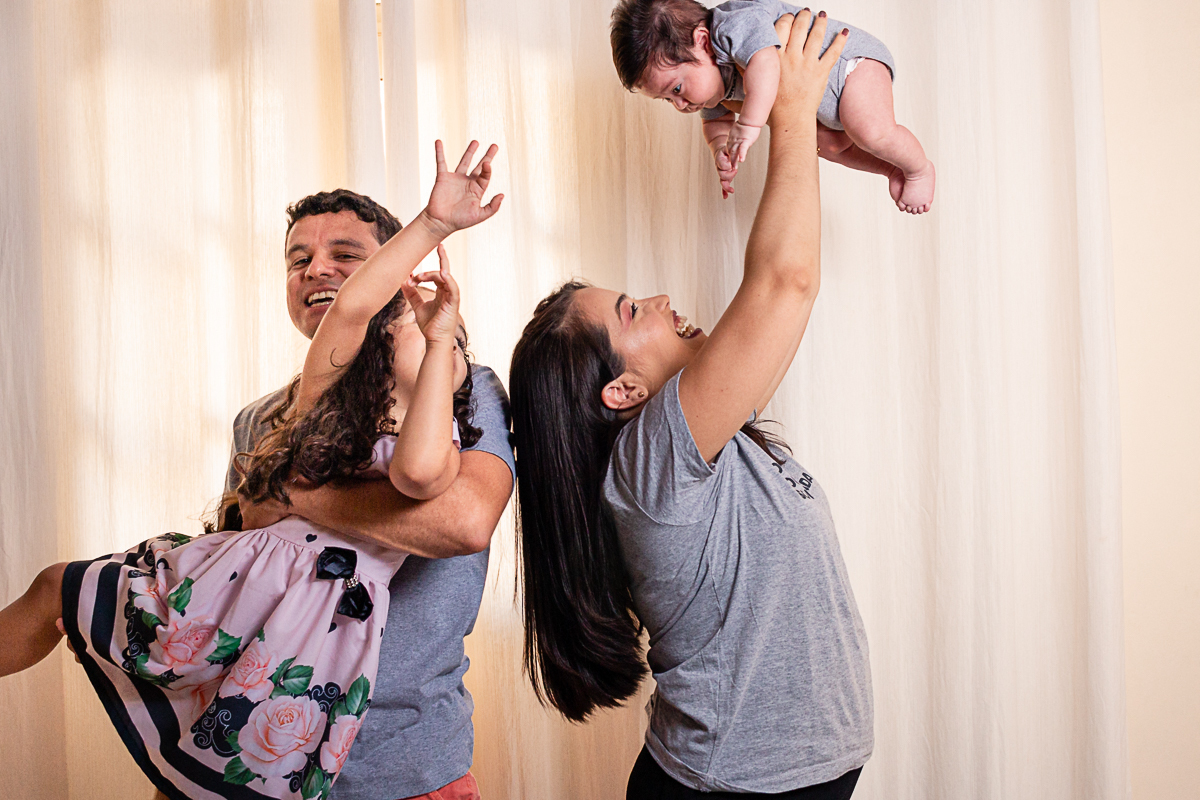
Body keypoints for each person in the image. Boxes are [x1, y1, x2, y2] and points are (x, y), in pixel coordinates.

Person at [0, 141, 512, 800]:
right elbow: (241, 550)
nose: (316, 271)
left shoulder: (470, 398)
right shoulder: (291, 404)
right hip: (249, 667)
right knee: (58, 591)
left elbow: (456, 514)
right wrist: (433, 223)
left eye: (347, 257)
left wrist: (301, 491)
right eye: (298, 260)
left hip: (396, 762)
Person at [511, 11, 871, 798]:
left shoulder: (703, 440)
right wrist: (791, 110)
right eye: (635, 312)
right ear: (622, 392)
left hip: (782, 777)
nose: (666, 299)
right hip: (734, 785)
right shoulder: (654, 462)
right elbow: (785, 282)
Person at [611, 0, 934, 212]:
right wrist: (721, 148)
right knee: (829, 145)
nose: (680, 105)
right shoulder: (712, 89)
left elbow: (766, 61)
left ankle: (918, 169)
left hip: (851, 67)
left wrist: (748, 126)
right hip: (820, 105)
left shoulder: (733, 26)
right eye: (667, 100)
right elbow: (715, 122)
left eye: (677, 89)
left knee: (871, 132)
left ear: (704, 41)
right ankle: (889, 166)